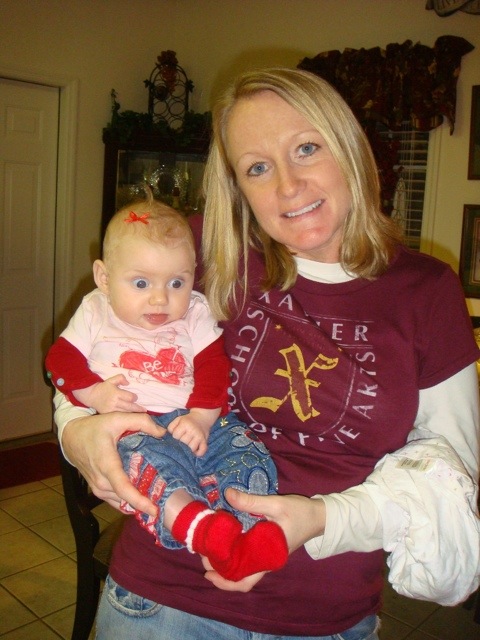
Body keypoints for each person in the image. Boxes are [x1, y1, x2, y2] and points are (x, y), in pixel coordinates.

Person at [52, 68, 480, 640]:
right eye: (257, 167)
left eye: (306, 148)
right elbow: (94, 337)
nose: (288, 186)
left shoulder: (426, 290)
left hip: (324, 618)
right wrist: (75, 430)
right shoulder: (201, 253)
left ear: (349, 148)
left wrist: (322, 520)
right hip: (159, 601)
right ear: (238, 188)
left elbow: (451, 476)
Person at [45, 194, 287, 582]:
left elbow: (213, 365)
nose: (160, 298)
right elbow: (60, 359)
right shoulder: (95, 309)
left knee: (242, 448)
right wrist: (94, 393)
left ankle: (248, 532)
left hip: (199, 423)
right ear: (104, 278)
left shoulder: (195, 311)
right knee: (147, 467)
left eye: (177, 282)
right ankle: (197, 526)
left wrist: (203, 417)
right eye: (141, 283)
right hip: (136, 426)